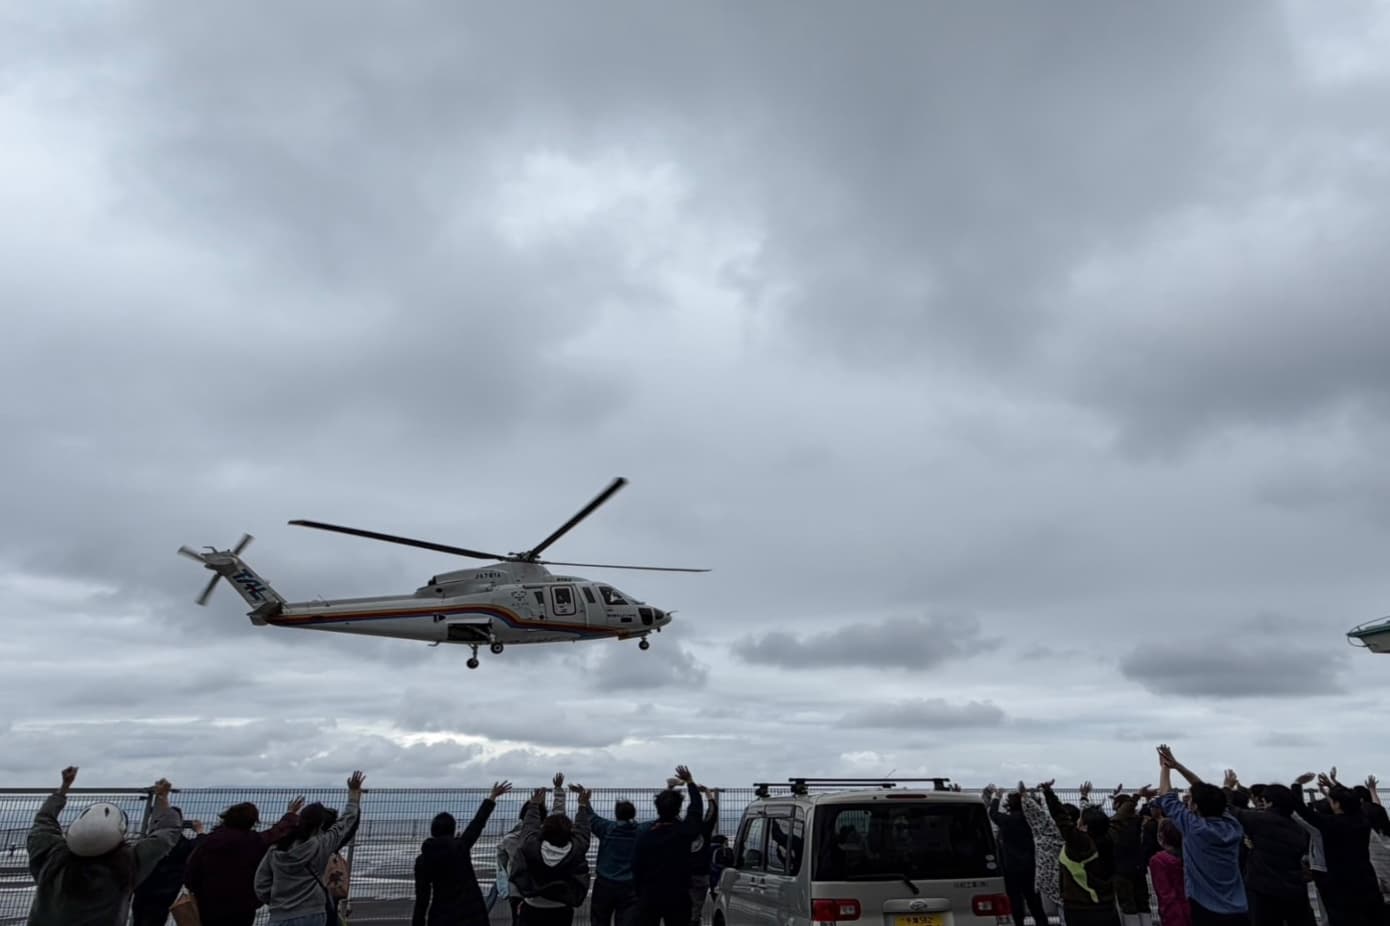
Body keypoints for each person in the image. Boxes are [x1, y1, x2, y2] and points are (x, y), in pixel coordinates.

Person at [26, 766, 183, 925]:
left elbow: (43, 820)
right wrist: (162, 797)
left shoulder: (52, 857)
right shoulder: (126, 865)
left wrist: (64, 787)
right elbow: (164, 835)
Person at [1152, 745, 1248, 926]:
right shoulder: (1232, 825)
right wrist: (1177, 765)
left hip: (1206, 908)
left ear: (1195, 806)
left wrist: (1165, 766)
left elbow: (1166, 795)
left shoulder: (1193, 827)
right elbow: (1205, 791)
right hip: (1239, 907)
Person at [254, 770, 366, 925]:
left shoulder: (277, 848)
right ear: (321, 824)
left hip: (279, 915)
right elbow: (345, 824)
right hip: (313, 913)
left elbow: (261, 883)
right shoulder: (320, 846)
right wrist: (354, 796)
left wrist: (277, 901)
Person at [184, 796, 304, 926]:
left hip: (209, 903)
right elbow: (277, 832)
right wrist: (291, 814)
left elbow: (191, 871)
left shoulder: (209, 841)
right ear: (252, 822)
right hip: (242, 904)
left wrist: (197, 892)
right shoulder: (254, 841)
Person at [412, 781, 512, 926]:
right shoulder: (460, 848)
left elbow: (422, 899)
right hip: (472, 914)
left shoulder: (423, 860)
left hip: (442, 916)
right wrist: (492, 797)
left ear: (433, 831)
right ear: (452, 830)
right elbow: (477, 824)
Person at [1221, 773, 1315, 926]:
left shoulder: (1259, 820)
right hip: (1294, 888)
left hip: (1263, 890)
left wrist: (1226, 787)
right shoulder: (1298, 827)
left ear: (1269, 803)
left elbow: (1227, 809)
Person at [1290, 773, 1384, 926]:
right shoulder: (1363, 821)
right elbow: (1353, 802)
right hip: (1366, 877)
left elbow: (1301, 810)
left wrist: (1296, 783)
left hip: (1340, 882)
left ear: (1337, 804)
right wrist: (1333, 785)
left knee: (1343, 918)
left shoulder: (1330, 823)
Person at [509, 781, 594, 926]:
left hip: (533, 905)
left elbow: (529, 826)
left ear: (544, 830)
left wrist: (534, 805)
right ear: (569, 833)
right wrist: (582, 806)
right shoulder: (576, 849)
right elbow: (583, 831)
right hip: (561, 908)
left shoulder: (531, 847)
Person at [633, 766, 705, 926]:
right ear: (679, 808)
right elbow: (696, 810)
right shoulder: (683, 833)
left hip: (649, 894)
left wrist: (640, 892)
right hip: (678, 895)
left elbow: (636, 866)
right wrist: (690, 783)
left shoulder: (645, 836)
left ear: (657, 808)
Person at [1044, 780, 1119, 926]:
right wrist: (1084, 797)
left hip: (1080, 909)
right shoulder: (1109, 837)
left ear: (1085, 826)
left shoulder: (1081, 844)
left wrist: (1049, 793)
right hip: (1107, 906)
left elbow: (1061, 819)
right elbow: (1091, 817)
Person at [502, 774, 568, 926]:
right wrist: (557, 790)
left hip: (518, 890)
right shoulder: (549, 839)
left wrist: (535, 806)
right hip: (549, 893)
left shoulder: (510, 840)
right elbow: (558, 815)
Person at [985, 784, 1051, 926]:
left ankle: (1019, 922)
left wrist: (996, 796)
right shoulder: (1031, 821)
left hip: (1011, 868)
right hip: (1031, 867)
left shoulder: (1007, 821)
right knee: (1035, 903)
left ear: (1010, 805)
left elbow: (993, 814)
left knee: (1015, 901)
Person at [131, 807, 206, 926]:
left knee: (139, 919)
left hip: (143, 891)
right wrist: (200, 831)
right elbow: (199, 847)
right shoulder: (184, 844)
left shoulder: (150, 841)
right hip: (166, 894)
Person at [581, 790, 642, 926]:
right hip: (630, 884)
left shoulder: (606, 828)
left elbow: (591, 816)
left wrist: (585, 801)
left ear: (616, 814)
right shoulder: (640, 831)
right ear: (633, 813)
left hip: (604, 882)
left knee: (600, 920)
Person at [1019, 782, 1067, 923]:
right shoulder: (1061, 827)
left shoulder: (1043, 828)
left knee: (1062, 908)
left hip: (1050, 874)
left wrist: (1024, 796)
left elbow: (1037, 815)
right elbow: (1043, 812)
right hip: (1063, 875)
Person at [687, 786, 721, 926]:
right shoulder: (705, 828)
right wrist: (708, 793)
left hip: (682, 873)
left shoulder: (682, 826)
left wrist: (670, 788)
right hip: (701, 874)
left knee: (680, 907)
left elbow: (668, 813)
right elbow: (712, 812)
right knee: (696, 909)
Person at [1149, 821, 1191, 926]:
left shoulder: (1158, 861)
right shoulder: (1190, 854)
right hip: (1194, 910)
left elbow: (1166, 896)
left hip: (1174, 915)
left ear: (1162, 836)